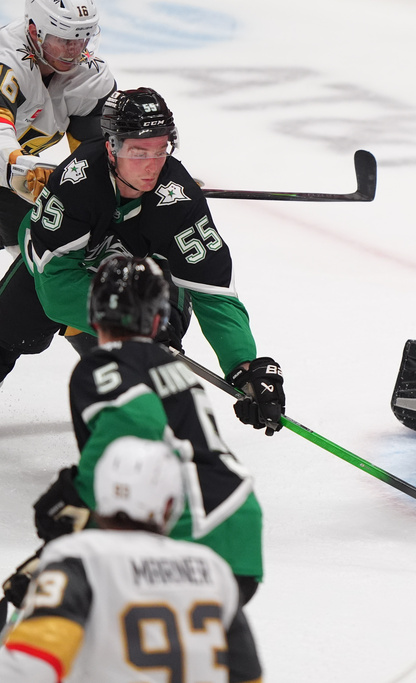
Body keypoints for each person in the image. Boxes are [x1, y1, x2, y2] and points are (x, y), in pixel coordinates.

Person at [0, 86, 285, 439]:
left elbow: (213, 292)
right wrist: (134, 326)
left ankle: (129, 440)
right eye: (138, 152)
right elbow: (56, 290)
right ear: (111, 147)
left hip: (140, 279)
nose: (152, 165)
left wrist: (243, 366)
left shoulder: (178, 198)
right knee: (4, 333)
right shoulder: (76, 183)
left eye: (160, 150)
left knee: (151, 359)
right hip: (58, 275)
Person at [23, 255, 266, 608]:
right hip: (238, 519)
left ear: (91, 314)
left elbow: (137, 430)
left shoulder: (104, 365)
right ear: (157, 320)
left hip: (195, 532)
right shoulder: (169, 365)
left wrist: (79, 493)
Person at [0, 436, 263, 683]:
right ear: (170, 504)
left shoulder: (81, 559)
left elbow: (30, 667)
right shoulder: (212, 568)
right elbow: (248, 675)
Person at [0, 0, 115, 257]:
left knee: (41, 248)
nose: (75, 50)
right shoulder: (6, 62)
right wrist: (21, 166)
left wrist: (131, 176)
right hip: (5, 165)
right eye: (65, 40)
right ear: (34, 32)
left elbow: (95, 155)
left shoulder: (90, 77)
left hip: (6, 173)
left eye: (82, 38)